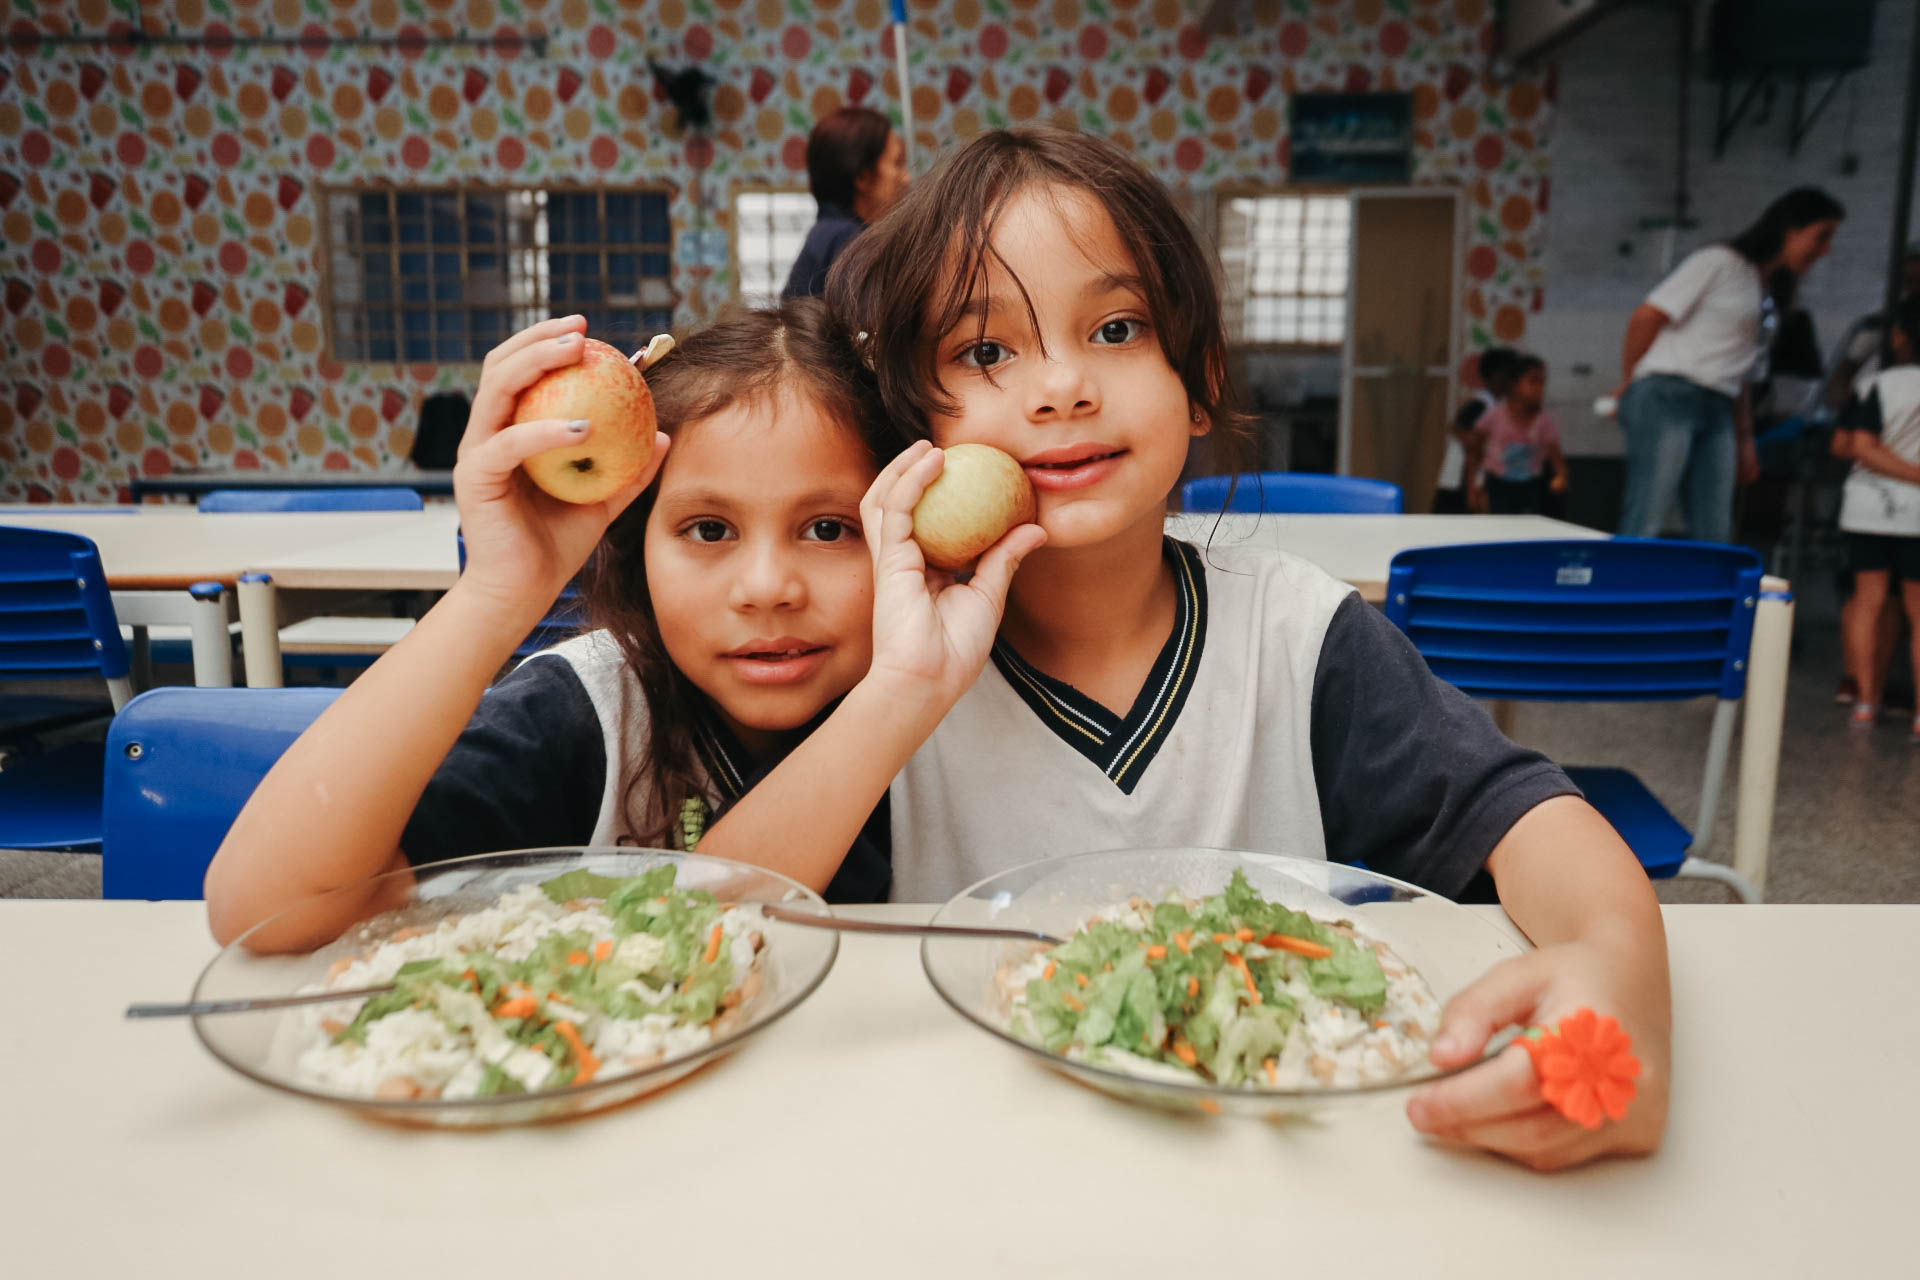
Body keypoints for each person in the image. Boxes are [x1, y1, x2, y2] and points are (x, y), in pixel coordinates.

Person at [736, 128, 1669, 1171]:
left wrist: (1620, 974)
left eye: (1117, 326)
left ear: (1201, 381)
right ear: (918, 420)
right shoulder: (893, 666)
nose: (1060, 388)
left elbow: (1533, 818)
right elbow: (724, 928)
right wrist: (899, 693)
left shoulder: (1302, 636)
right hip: (982, 1178)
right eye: (986, 350)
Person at [204, 301, 905, 947]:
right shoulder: (587, 711)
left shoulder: (943, 706)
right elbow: (265, 909)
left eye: (826, 528)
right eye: (709, 529)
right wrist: (495, 594)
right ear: (636, 544)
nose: (766, 589)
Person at [1613, 187, 1845, 542]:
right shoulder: (1719, 261)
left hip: (1719, 404)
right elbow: (1646, 317)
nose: (1826, 250)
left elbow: (1742, 375)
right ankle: (1621, 595)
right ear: (1790, 228)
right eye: (1821, 237)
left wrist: (1745, 440)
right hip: (1668, 393)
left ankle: (1708, 597)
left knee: (1715, 529)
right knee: (1647, 515)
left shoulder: (1766, 291)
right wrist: (1631, 379)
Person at [1831, 292, 1920, 741]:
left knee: (1867, 600)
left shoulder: (1880, 385)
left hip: (1870, 509)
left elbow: (1854, 445)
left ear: (1900, 335)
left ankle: (1866, 702)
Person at [781, 106, 909, 301]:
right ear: (863, 177)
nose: (906, 178)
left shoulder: (829, 233)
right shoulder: (847, 239)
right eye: (897, 164)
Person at [1467, 355, 1567, 515]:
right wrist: (1473, 487)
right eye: (1533, 381)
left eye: (1542, 382)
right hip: (1497, 486)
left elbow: (1556, 457)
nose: (1539, 388)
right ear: (1514, 385)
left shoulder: (1544, 423)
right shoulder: (1495, 416)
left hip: (1531, 487)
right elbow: (1474, 449)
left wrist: (1561, 477)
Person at [1434, 347, 1516, 513]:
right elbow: (1458, 427)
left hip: (1471, 484)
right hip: (1457, 484)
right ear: (1496, 375)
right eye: (1510, 375)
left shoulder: (1498, 409)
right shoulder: (1480, 405)